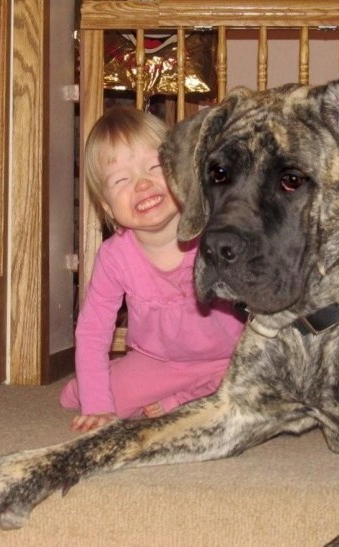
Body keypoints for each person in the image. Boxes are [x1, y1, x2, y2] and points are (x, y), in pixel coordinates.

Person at [60, 106, 244, 433]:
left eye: (154, 166)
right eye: (121, 179)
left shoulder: (213, 234)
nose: (142, 184)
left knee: (260, 390)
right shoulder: (115, 256)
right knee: (106, 395)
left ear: (181, 172)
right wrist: (97, 406)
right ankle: (92, 385)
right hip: (159, 363)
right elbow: (92, 331)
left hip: (230, 357)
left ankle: (182, 401)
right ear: (106, 206)